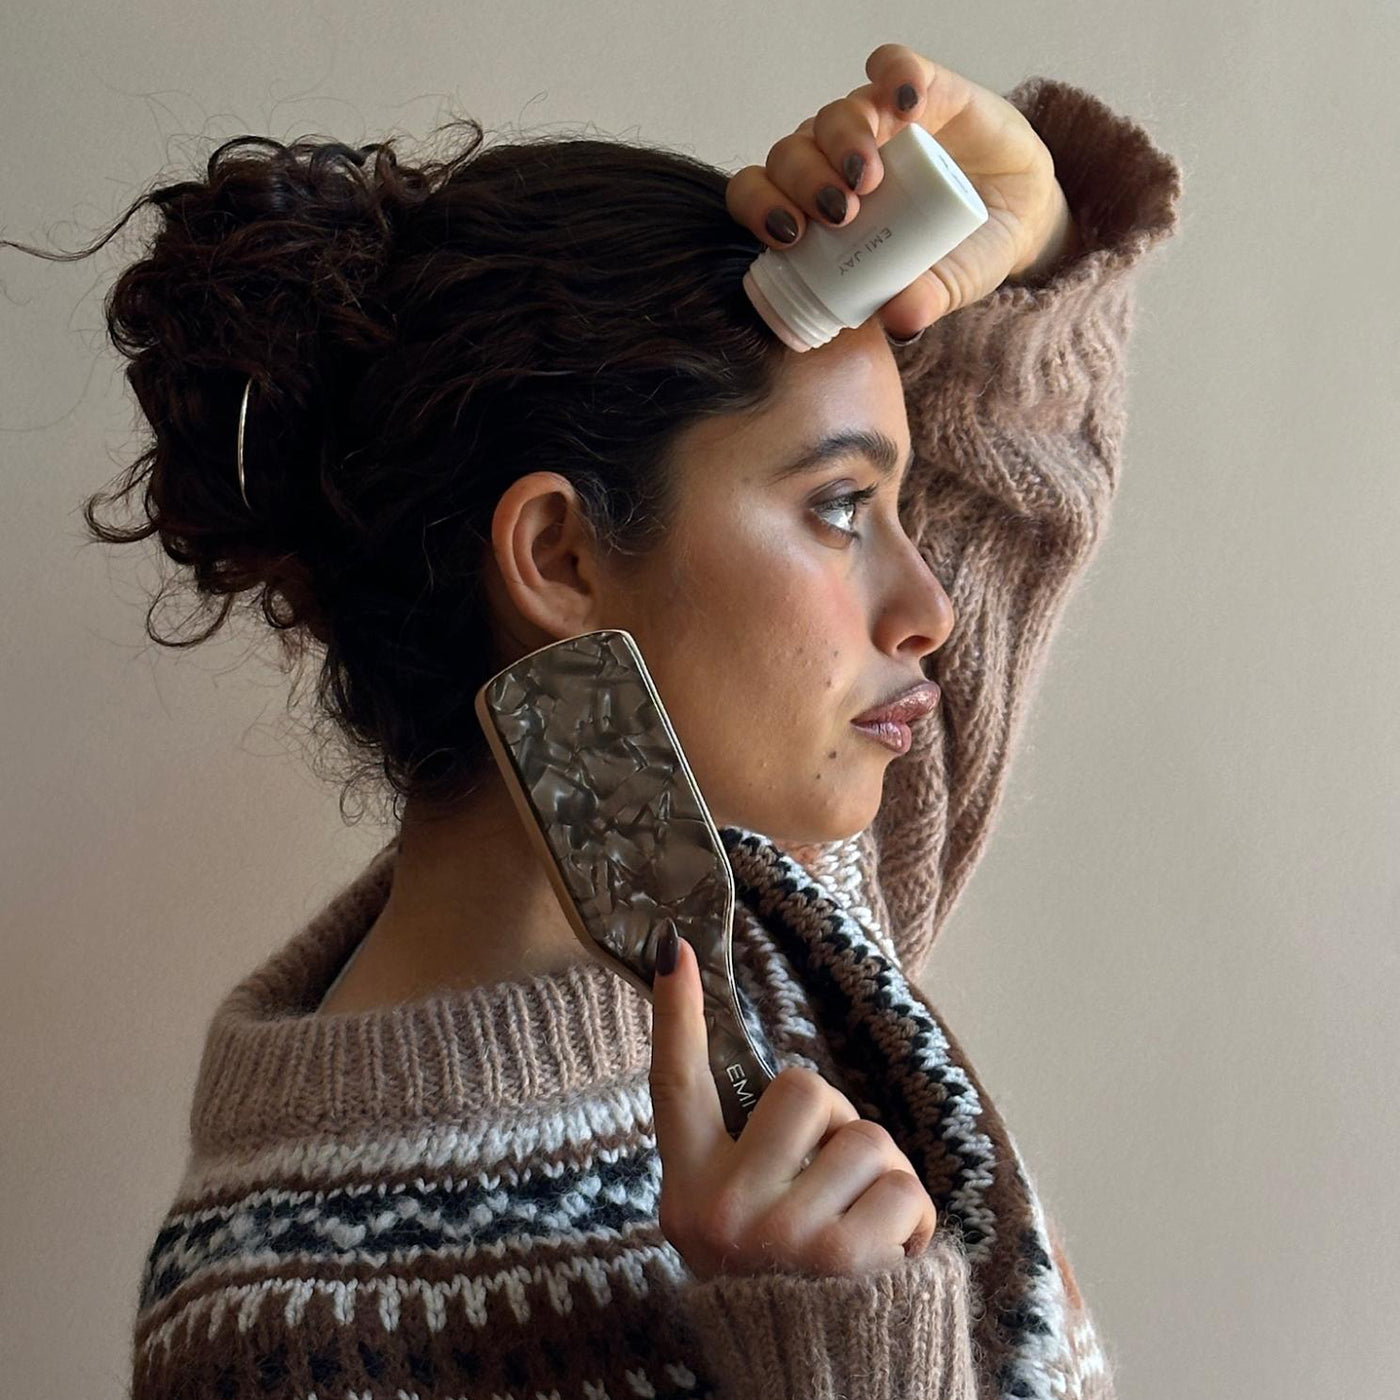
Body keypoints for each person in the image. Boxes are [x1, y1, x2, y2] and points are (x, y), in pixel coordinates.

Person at [7, 44, 1182, 1400]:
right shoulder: (282, 1331)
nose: (931, 606)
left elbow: (1017, 490)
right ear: (562, 558)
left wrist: (998, 232)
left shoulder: (792, 925)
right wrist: (841, 1359)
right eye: (845, 509)